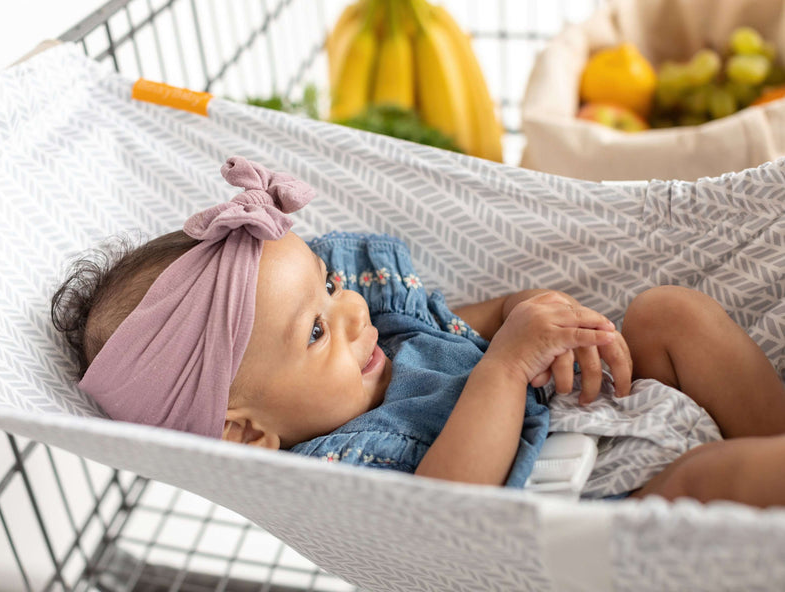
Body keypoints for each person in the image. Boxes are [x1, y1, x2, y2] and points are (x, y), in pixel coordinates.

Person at [51, 156, 785, 506]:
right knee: (708, 483)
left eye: (331, 286)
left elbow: (490, 321)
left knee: (670, 313)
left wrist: (541, 318)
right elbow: (450, 505)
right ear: (246, 432)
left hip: (614, 400)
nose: (350, 311)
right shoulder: (344, 469)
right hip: (615, 496)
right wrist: (502, 367)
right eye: (315, 332)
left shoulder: (392, 341)